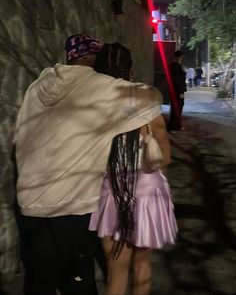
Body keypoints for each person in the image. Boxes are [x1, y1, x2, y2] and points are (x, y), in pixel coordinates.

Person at [14, 34, 164, 295]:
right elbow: (151, 98)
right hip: (71, 204)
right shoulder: (104, 87)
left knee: (39, 281)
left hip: (29, 201)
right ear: (92, 57)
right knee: (78, 280)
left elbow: (19, 134)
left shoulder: (38, 84)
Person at [89, 43, 178, 295]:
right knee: (142, 268)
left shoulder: (94, 106)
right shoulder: (146, 103)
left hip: (112, 191)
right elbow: (165, 158)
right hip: (148, 192)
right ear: (130, 67)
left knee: (115, 274)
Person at [167, 50, 186, 133]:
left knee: (176, 108)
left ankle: (176, 125)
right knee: (177, 108)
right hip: (177, 91)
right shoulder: (176, 67)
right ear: (179, 57)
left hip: (174, 90)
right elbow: (178, 81)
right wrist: (181, 92)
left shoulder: (173, 66)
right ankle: (173, 127)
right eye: (182, 57)